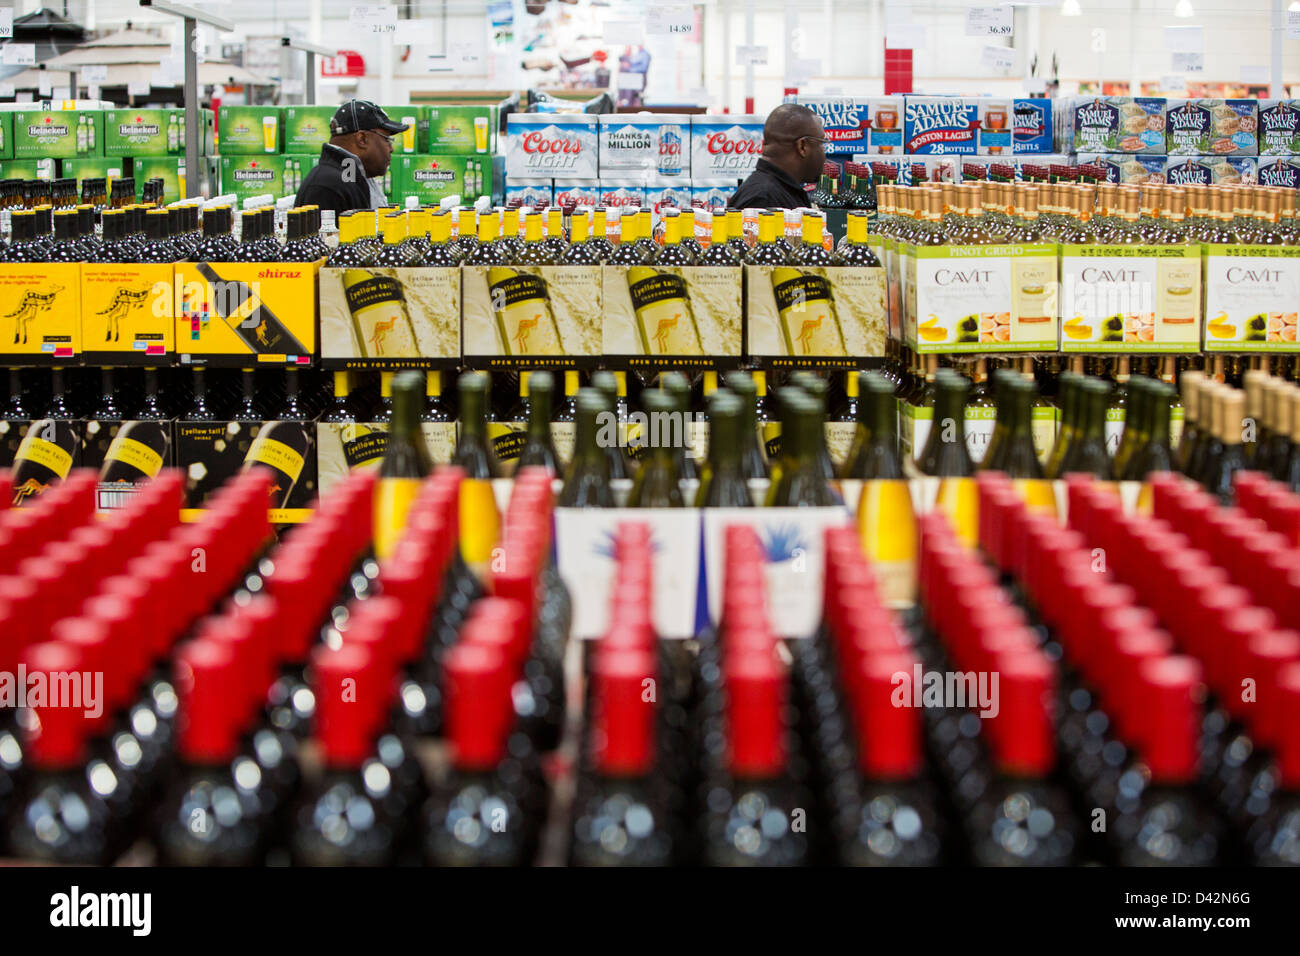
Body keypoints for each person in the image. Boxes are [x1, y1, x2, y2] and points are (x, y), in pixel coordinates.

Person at [294, 100, 409, 214]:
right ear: (362, 139)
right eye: (387, 139)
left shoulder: (350, 176)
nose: (391, 149)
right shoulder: (326, 188)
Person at [727, 103, 826, 211]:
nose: (824, 151)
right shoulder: (763, 200)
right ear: (802, 146)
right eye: (822, 143)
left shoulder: (781, 192)